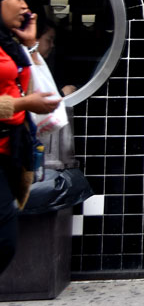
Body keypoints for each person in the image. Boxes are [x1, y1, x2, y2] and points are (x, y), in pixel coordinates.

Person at [0, 0, 61, 274]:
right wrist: (24, 104)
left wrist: (30, 45)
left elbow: (42, 88)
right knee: (4, 240)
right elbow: (27, 99)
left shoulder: (10, 45)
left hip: (9, 153)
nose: (25, 7)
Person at [21, 13, 93, 216]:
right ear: (34, 40)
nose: (52, 45)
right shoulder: (22, 67)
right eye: (48, 40)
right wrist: (63, 96)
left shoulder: (38, 67)